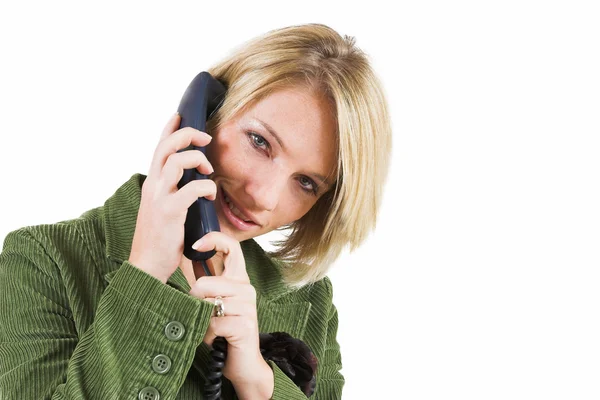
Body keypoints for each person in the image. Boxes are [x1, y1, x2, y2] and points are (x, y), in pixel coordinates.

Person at [0, 23, 391, 399]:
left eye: (306, 183)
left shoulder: (309, 301)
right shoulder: (43, 259)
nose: (265, 197)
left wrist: (257, 380)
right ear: (206, 113)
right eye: (259, 142)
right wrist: (144, 278)